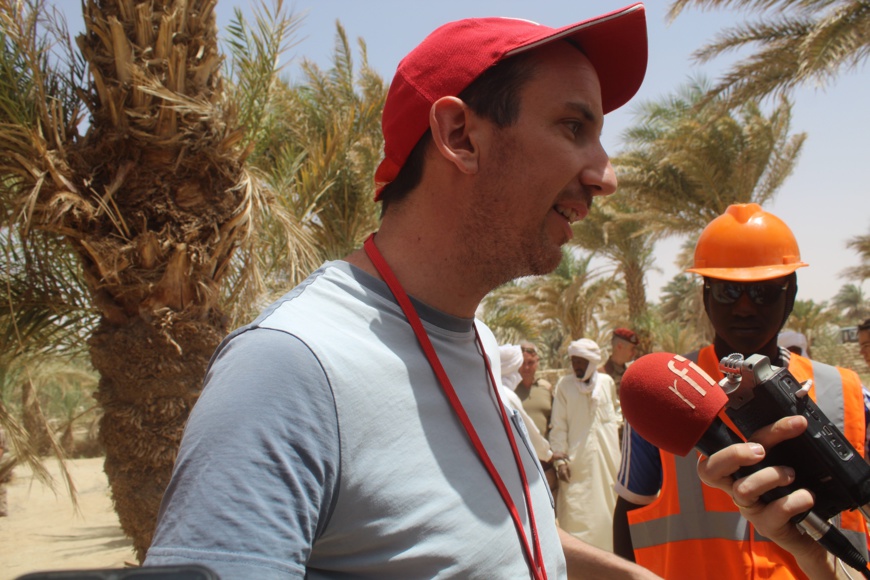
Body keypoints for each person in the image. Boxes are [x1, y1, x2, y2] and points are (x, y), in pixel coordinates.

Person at [146, 5, 659, 579]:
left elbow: (508, 532)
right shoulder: (290, 368)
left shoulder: (478, 344)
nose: (605, 176)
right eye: (573, 128)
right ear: (460, 136)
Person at [613, 203, 869, 579]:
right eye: (729, 292)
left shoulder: (846, 393)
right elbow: (629, 511)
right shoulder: (663, 392)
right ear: (705, 295)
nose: (745, 308)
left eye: (764, 292)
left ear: (791, 294)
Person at [550, 338, 622, 552]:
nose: (576, 366)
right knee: (576, 515)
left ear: (591, 361)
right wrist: (560, 458)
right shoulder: (564, 386)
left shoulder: (607, 382)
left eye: (581, 361)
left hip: (607, 462)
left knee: (609, 513)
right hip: (575, 464)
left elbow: (616, 413)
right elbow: (559, 424)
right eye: (574, 361)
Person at [499, 344, 553, 463]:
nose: (526, 368)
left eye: (531, 363)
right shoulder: (509, 393)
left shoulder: (546, 388)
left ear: (537, 362)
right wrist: (548, 454)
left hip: (545, 460)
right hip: (520, 459)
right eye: (522, 363)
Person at [599, 327, 639, 394]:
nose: (634, 352)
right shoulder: (601, 374)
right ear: (619, 346)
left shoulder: (632, 374)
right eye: (632, 349)